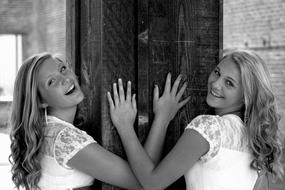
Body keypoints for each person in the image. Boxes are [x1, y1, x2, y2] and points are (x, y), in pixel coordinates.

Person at [107, 49, 284, 190]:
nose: (215, 84)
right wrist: (163, 118)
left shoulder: (209, 128)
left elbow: (152, 183)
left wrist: (125, 126)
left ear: (246, 96)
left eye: (229, 83)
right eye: (217, 72)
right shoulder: (255, 141)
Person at [9, 52, 189, 190]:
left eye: (63, 69)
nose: (65, 79)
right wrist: (133, 125)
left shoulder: (47, 132)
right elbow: (145, 182)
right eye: (51, 82)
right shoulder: (63, 139)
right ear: (41, 101)